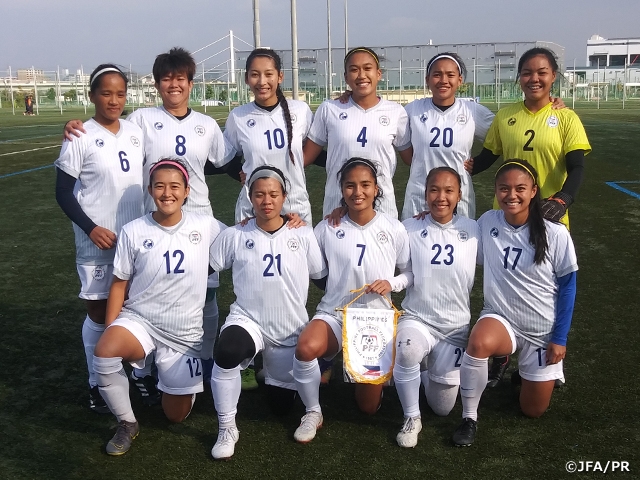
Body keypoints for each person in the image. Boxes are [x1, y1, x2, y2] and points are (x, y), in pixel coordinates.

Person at [64, 47, 237, 402]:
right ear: (157, 85)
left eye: (180, 78)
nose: (174, 85)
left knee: (204, 295)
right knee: (146, 297)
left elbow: (227, 164)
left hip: (199, 221)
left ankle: (201, 360)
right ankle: (141, 368)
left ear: (191, 83)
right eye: (166, 79)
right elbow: (110, 131)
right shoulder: (141, 120)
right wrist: (75, 125)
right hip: (153, 224)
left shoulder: (206, 124)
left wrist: (261, 188)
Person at [465, 47, 590, 386]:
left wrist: (563, 199)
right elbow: (487, 157)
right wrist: (452, 168)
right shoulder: (506, 116)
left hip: (549, 217)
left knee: (548, 287)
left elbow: (577, 167)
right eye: (527, 72)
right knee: (502, 284)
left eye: (542, 72)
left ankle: (545, 355)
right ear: (519, 77)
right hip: (506, 216)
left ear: (553, 77)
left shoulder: (566, 117)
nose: (534, 78)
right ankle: (502, 352)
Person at [93, 159, 225, 455]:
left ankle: (163, 378)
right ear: (150, 190)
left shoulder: (206, 225)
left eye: (175, 186)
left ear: (187, 191)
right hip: (140, 319)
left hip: (183, 332)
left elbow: (243, 237)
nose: (167, 193)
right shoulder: (133, 230)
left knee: (175, 416)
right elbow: (119, 283)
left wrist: (286, 220)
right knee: (104, 352)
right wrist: (112, 327)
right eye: (160, 186)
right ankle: (127, 422)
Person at [452, 159, 578, 447]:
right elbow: (455, 234)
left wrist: (559, 339)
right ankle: (469, 417)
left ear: (534, 191)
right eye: (504, 188)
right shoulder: (488, 222)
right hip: (501, 318)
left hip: (541, 330)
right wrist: (429, 217)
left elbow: (569, 287)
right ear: (496, 191)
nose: (511, 195)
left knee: (532, 411)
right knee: (478, 343)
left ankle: (528, 374)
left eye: (520, 188)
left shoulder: (556, 233)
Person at [208, 165, 327, 460]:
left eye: (273, 194)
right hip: (248, 319)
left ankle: (273, 374)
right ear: (250, 197)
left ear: (284, 196)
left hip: (289, 328)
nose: (266, 200)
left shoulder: (302, 233)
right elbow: (205, 268)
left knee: (280, 407)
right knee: (227, 352)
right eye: (259, 194)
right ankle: (226, 427)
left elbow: (322, 279)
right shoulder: (236, 234)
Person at [292, 158, 411, 443]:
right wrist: (290, 221)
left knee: (367, 407)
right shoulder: (327, 227)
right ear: (341, 189)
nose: (358, 192)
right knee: (306, 347)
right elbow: (315, 268)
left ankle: (363, 371)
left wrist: (392, 283)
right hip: (335, 313)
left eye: (365, 185)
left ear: (376, 188)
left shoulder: (394, 228)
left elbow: (410, 273)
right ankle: (313, 411)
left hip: (374, 321)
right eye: (350, 185)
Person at [54, 64, 144, 414]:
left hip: (135, 241)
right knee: (98, 311)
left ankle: (140, 374)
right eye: (106, 93)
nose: (114, 100)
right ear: (92, 96)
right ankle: (97, 382)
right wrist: (91, 228)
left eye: (120, 93)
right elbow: (63, 193)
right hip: (96, 241)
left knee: (135, 307)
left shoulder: (135, 132)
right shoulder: (80, 135)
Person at [394, 167, 479, 448]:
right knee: (407, 350)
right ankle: (411, 417)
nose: (440, 197)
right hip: (418, 318)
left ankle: (422, 369)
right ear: (425, 193)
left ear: (459, 195)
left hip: (455, 328)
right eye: (434, 190)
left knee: (442, 408)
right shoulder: (409, 227)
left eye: (448, 191)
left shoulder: (474, 229)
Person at [304, 47, 412, 218]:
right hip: (337, 206)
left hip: (383, 207)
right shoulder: (329, 109)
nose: (361, 75)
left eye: (367, 68)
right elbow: (306, 157)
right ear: (346, 77)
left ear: (378, 74)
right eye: (354, 70)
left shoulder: (396, 112)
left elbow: (412, 159)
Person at [224, 48, 313, 224]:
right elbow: (225, 157)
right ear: (246, 78)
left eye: (268, 74)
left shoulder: (301, 111)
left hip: (295, 207)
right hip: (253, 209)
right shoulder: (238, 116)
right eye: (255, 75)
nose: (262, 81)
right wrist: (241, 174)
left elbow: (315, 150)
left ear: (280, 77)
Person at [401, 53, 494, 220]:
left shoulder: (472, 111)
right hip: (419, 194)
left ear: (460, 80)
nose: (443, 80)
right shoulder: (412, 109)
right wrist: (352, 97)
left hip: (458, 197)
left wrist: (481, 162)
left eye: (450, 75)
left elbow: (503, 134)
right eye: (437, 75)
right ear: (427, 80)